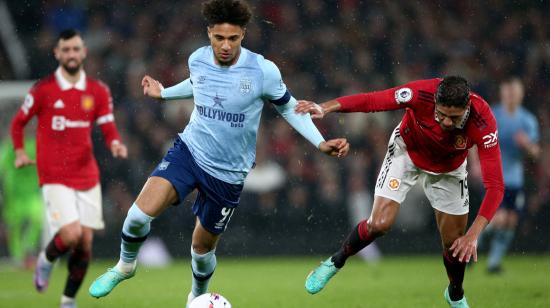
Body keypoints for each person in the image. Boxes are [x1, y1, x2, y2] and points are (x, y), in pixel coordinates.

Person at [88, 1, 349, 307]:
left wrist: (319, 143)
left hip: (228, 173)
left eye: (233, 39)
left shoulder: (262, 70)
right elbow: (199, 84)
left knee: (201, 250)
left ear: (244, 35)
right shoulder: (197, 58)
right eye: (219, 38)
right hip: (190, 151)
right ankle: (125, 266)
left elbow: (289, 106)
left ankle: (198, 295)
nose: (225, 46)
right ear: (209, 32)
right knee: (136, 216)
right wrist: (165, 93)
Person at [297, 76, 504, 308]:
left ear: (467, 108)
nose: (445, 122)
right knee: (379, 224)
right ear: (435, 101)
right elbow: (373, 101)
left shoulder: (483, 121)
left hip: (449, 169)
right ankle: (335, 262)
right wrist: (324, 107)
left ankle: (455, 294)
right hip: (407, 153)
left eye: (453, 118)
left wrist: (473, 234)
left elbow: (495, 185)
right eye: (441, 114)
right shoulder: (421, 93)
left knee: (455, 245)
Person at [10, 29, 127, 308]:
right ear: (57, 54)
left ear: (84, 52)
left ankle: (67, 301)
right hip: (54, 174)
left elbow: (108, 125)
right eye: (66, 50)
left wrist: (115, 143)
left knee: (85, 243)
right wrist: (19, 152)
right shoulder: (44, 90)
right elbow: (18, 123)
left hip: (87, 174)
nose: (71, 54)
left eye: (76, 49)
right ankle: (45, 259)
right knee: (71, 234)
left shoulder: (97, 91)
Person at [482, 77, 540, 273]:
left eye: (514, 92)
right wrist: (474, 163)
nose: (510, 96)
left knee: (510, 221)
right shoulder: (492, 115)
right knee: (498, 218)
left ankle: (493, 263)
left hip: (515, 178)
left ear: (520, 94)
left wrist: (527, 146)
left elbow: (536, 152)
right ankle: (473, 242)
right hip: (494, 176)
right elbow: (476, 141)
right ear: (502, 94)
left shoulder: (527, 120)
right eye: (507, 92)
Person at [0, 138, 43, 268]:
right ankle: (18, 257)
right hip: (14, 194)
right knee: (14, 227)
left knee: (37, 219)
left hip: (31, 192)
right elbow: (1, 167)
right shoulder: (9, 147)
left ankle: (27, 249)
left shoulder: (35, 145)